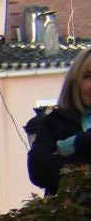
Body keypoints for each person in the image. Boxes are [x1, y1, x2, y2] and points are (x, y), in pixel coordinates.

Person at [26, 46, 91, 194]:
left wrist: (77, 144)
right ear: (75, 83)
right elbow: (40, 171)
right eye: (88, 76)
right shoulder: (56, 122)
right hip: (73, 214)